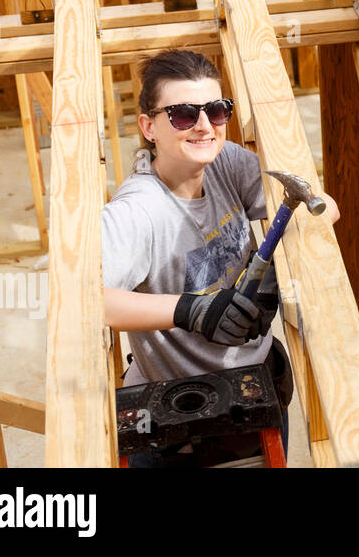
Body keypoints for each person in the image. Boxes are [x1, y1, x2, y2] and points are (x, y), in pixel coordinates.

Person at [101, 49, 340, 465]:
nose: (203, 126)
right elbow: (88, 300)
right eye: (181, 115)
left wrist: (274, 279)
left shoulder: (225, 161)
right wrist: (192, 310)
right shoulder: (136, 211)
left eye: (216, 110)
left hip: (255, 388)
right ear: (148, 126)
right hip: (180, 417)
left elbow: (324, 207)